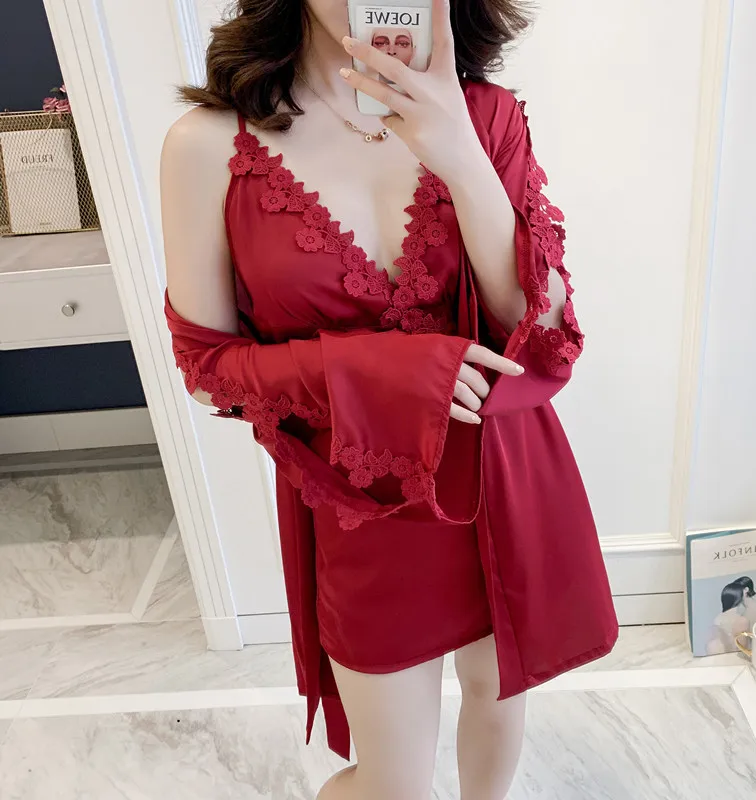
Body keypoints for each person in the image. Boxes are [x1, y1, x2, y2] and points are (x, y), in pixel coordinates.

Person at [160, 0, 618, 797]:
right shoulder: (207, 147)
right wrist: (378, 371)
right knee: (391, 784)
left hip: (501, 476)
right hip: (362, 504)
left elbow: (542, 336)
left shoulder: (485, 116)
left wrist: (461, 155)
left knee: (498, 698)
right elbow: (207, 367)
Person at [706, 582, 749, 655]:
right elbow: (743, 648)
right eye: (745, 595)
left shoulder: (717, 618)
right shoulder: (741, 620)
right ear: (739, 598)